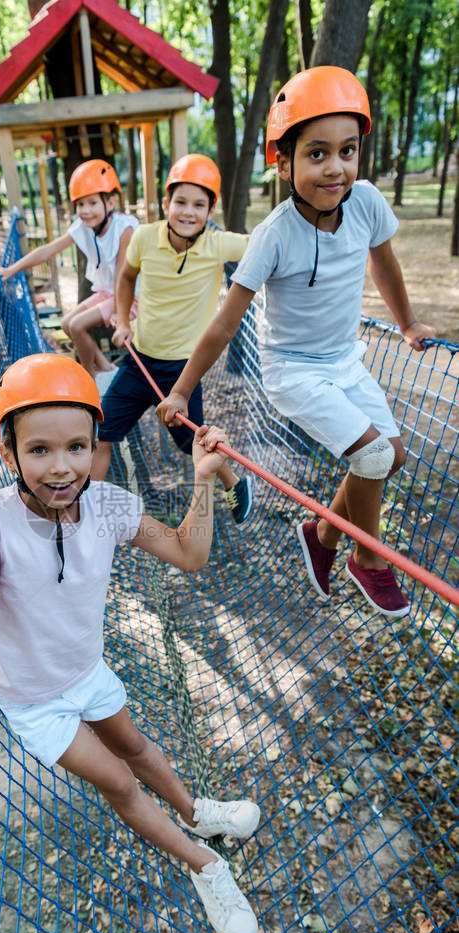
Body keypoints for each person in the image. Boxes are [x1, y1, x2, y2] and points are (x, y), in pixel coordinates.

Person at [0, 353, 261, 933]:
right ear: (8, 450)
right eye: (39, 450)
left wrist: (201, 482)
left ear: (96, 445)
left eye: (77, 447)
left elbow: (188, 554)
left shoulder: (109, 504)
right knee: (118, 783)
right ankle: (207, 867)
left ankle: (197, 813)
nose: (62, 467)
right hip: (34, 699)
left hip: (86, 669)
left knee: (137, 746)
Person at [157, 68, 435, 617]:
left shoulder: (367, 203)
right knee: (375, 454)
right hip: (292, 370)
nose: (335, 167)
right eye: (316, 154)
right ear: (283, 164)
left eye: (347, 151)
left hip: (345, 360)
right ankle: (369, 561)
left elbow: (385, 264)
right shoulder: (275, 234)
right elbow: (223, 322)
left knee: (391, 456)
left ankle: (322, 536)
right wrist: (182, 391)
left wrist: (407, 324)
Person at [90, 154, 253, 525]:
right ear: (166, 204)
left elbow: (260, 242)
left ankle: (233, 482)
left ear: (211, 211)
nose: (188, 212)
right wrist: (121, 317)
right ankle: (83, 510)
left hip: (183, 370)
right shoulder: (145, 238)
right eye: (180, 202)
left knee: (188, 441)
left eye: (199, 204)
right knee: (103, 431)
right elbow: (126, 276)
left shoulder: (218, 245)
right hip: (139, 361)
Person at [0, 159, 138, 387]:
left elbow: (123, 275)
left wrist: (121, 315)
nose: (85, 210)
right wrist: (11, 270)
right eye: (80, 204)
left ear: (110, 202)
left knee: (78, 325)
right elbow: (48, 250)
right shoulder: (83, 227)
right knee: (67, 323)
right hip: (107, 293)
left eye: (92, 203)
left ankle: (89, 379)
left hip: (128, 296)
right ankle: (107, 369)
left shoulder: (125, 228)